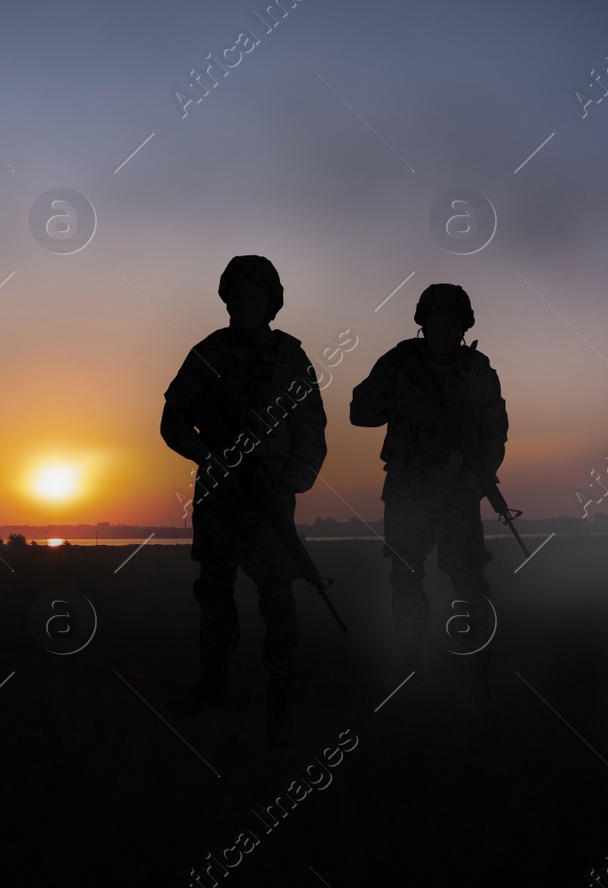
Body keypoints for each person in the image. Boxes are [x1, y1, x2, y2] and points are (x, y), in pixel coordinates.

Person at [159, 257, 328, 746]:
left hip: (269, 497)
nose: (246, 305)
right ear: (226, 299)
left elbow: (311, 428)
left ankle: (279, 699)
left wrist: (292, 480)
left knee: (277, 596)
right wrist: (212, 461)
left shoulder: (291, 358)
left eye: (255, 296)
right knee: (214, 592)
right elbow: (172, 420)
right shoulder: (208, 353)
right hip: (217, 497)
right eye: (237, 296)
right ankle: (214, 684)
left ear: (272, 301)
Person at [349, 284, 508, 713]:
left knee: (470, 583)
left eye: (452, 325)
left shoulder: (479, 371)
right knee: (404, 577)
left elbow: (495, 433)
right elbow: (359, 412)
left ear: (464, 327)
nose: (443, 332)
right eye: (435, 324)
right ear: (422, 323)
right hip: (407, 494)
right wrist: (406, 404)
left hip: (458, 496)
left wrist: (480, 480)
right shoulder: (401, 362)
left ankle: (479, 668)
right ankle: (410, 659)